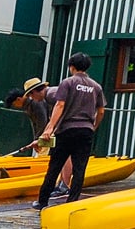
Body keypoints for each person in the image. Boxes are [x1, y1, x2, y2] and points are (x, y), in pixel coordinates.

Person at [33, 52, 106, 210]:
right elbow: (101, 111)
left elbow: (60, 105)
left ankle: (42, 201)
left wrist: (50, 127)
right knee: (80, 168)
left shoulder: (67, 83)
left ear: (71, 67)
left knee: (55, 166)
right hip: (85, 130)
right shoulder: (96, 86)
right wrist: (92, 127)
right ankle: (72, 202)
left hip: (66, 130)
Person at [5, 77, 73, 202]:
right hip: (53, 129)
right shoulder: (31, 104)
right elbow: (36, 124)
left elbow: (43, 121)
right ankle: (62, 184)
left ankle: (62, 185)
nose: (16, 106)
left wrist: (40, 139)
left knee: (56, 156)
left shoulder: (41, 100)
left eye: (15, 104)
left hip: (57, 129)